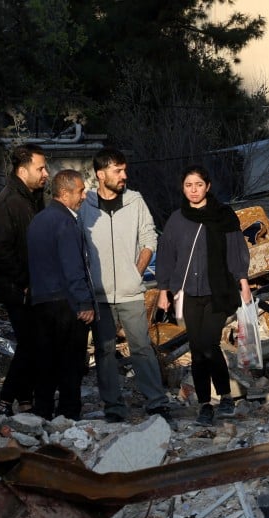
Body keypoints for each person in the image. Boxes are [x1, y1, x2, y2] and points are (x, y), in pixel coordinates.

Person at [78, 148, 171, 423]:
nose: (124, 176)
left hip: (130, 292)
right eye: (118, 171)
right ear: (100, 174)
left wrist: (136, 271)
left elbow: (149, 237)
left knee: (141, 346)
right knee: (105, 352)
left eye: (124, 170)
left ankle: (156, 402)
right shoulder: (86, 206)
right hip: (100, 294)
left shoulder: (135, 201)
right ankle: (114, 408)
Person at [155, 166, 251, 427]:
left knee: (208, 344)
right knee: (199, 351)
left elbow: (236, 250)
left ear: (208, 186)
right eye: (188, 185)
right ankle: (205, 405)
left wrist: (243, 282)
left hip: (218, 291)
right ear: (183, 188)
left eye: (198, 184)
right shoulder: (177, 219)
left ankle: (225, 395)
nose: (194, 190)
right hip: (187, 293)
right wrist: (163, 290)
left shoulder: (224, 216)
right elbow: (166, 255)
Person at [26, 170, 94, 421]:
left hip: (41, 301)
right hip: (65, 302)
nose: (84, 196)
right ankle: (68, 412)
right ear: (64, 193)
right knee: (70, 361)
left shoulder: (38, 221)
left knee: (45, 360)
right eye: (80, 191)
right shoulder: (66, 222)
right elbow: (72, 266)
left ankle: (42, 409)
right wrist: (85, 302)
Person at [0, 144, 47, 417]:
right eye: (40, 168)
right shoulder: (8, 202)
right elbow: (1, 249)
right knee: (30, 343)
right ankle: (5, 400)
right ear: (23, 171)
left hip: (31, 286)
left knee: (31, 343)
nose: (46, 173)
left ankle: (25, 399)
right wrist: (24, 281)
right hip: (18, 288)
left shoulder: (31, 198)